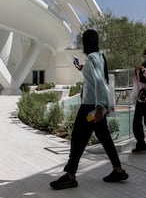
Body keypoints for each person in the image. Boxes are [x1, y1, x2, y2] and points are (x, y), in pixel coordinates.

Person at [50, 29, 128, 190]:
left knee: (78, 138)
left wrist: (99, 107)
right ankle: (118, 170)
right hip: (95, 107)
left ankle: (70, 176)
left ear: (85, 42)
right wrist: (81, 68)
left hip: (90, 108)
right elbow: (97, 76)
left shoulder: (93, 58)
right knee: (104, 137)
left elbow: (99, 81)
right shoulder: (98, 57)